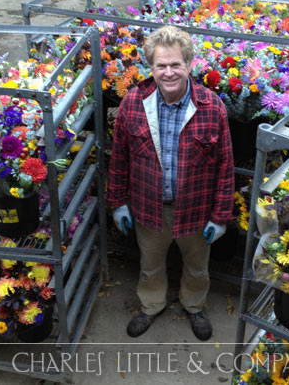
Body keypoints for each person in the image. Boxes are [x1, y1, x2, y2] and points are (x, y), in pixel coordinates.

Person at [105, 25, 235, 341]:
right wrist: (118, 202)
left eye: (175, 64)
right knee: (150, 264)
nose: (168, 72)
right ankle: (151, 305)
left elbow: (226, 166)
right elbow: (119, 157)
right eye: (161, 65)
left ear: (189, 65)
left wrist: (219, 218)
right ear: (151, 67)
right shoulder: (134, 103)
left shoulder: (211, 106)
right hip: (149, 207)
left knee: (196, 265)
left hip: (195, 209)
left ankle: (194, 305)